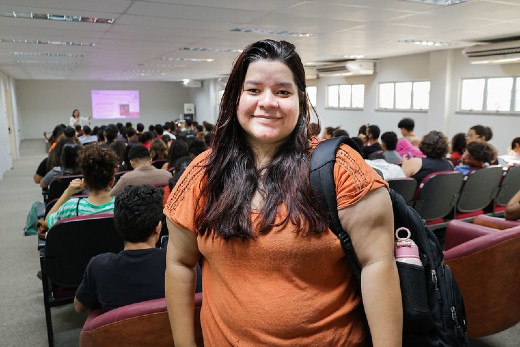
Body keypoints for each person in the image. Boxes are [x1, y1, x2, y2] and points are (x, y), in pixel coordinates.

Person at [164, 39, 402, 347]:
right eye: (253, 90)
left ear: (301, 101)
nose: (268, 102)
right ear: (234, 97)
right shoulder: (202, 175)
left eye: (283, 91)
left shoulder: (342, 171)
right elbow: (180, 264)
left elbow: (378, 265)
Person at [73, 185, 167, 313]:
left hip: (118, 333)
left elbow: (79, 307)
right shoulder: (183, 264)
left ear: (117, 224)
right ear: (158, 227)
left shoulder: (99, 266)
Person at [39, 144, 119, 234]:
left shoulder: (71, 207)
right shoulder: (122, 207)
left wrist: (67, 192)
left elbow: (47, 222)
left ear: (84, 182)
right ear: (112, 181)